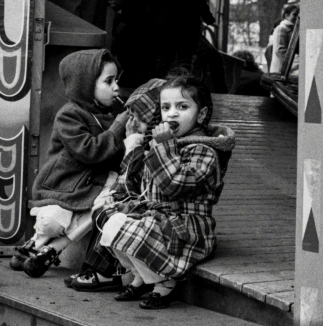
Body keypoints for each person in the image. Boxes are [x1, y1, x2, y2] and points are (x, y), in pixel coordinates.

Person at [98, 75, 235, 309]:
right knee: (111, 219)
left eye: (182, 107)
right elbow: (148, 188)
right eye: (165, 107)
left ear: (201, 115)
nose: (171, 114)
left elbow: (175, 185)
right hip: (160, 219)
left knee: (132, 229)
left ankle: (165, 284)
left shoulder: (205, 152)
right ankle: (141, 276)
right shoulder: (166, 144)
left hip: (187, 228)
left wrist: (163, 148)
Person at [12, 49, 127, 276]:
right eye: (109, 81)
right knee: (52, 224)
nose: (117, 88)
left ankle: (53, 249)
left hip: (93, 185)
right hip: (66, 184)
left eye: (117, 81)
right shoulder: (69, 114)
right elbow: (89, 151)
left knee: (102, 209)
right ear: (85, 85)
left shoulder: (110, 115)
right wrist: (118, 129)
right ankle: (36, 243)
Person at [69, 78, 165, 292]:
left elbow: (132, 184)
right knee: (106, 205)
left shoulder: (155, 146)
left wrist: (132, 146)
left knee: (111, 210)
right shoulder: (146, 141)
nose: (133, 124)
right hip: (140, 203)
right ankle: (95, 268)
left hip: (151, 209)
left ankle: (102, 271)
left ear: (153, 120)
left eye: (139, 119)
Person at [267, 4, 299, 75]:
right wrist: (298, 60)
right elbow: (280, 51)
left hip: (290, 71)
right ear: (286, 16)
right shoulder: (281, 29)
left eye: (298, 15)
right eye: (294, 14)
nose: (297, 17)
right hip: (279, 71)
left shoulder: (295, 30)